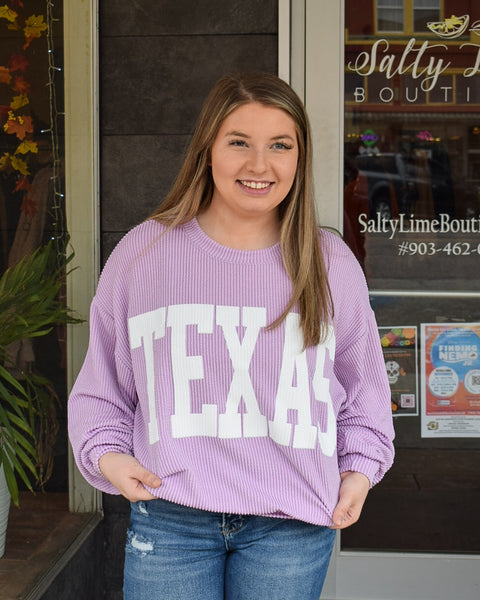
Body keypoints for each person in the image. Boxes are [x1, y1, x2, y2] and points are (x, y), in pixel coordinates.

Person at [68, 72, 395, 600]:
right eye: (238, 142)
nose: (259, 165)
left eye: (279, 146)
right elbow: (102, 384)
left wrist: (357, 473)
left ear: (299, 157)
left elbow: (363, 393)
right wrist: (108, 455)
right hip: (171, 516)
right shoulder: (145, 253)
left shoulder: (329, 261)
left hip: (291, 524)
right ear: (208, 150)